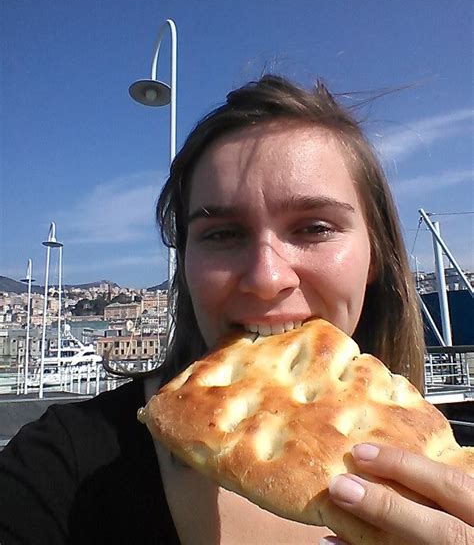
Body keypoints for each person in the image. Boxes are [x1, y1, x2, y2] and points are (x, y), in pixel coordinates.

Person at [0, 75, 472, 545]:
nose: (267, 278)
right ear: (185, 263)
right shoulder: (56, 471)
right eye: (222, 233)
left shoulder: (453, 493)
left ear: (377, 256)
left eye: (314, 228)